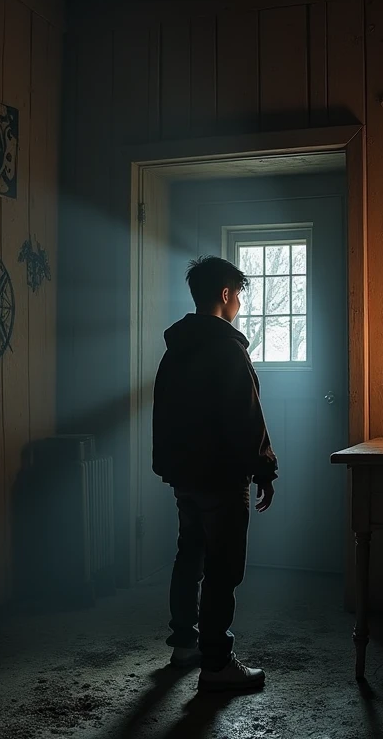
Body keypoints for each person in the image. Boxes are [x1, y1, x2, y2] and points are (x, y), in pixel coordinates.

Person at [152, 255, 278, 692]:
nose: (240, 302)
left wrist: (169, 468)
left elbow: (162, 414)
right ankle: (216, 664)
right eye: (239, 294)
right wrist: (265, 467)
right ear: (226, 295)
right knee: (224, 568)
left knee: (190, 555)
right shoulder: (227, 348)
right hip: (223, 478)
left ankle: (184, 645)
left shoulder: (177, 349)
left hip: (185, 476)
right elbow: (247, 416)